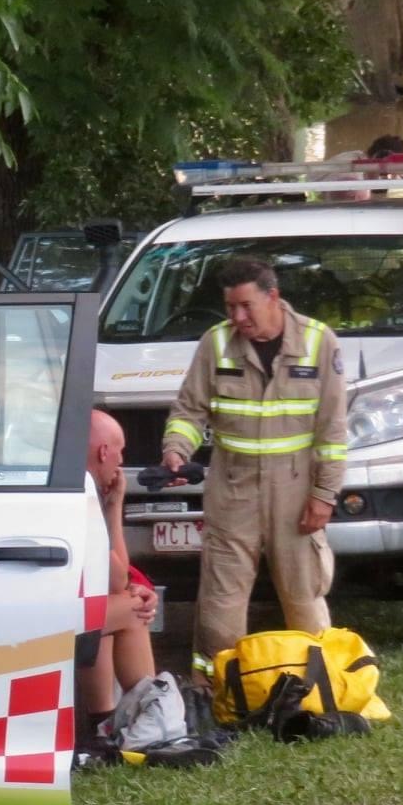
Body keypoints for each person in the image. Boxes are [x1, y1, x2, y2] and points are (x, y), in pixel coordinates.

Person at [162, 257, 347, 682]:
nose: (237, 317)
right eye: (230, 308)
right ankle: (215, 694)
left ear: (273, 297)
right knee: (220, 606)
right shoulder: (216, 343)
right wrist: (177, 449)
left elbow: (332, 430)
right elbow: (189, 411)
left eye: (246, 306)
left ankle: (320, 689)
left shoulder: (320, 342)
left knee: (304, 598)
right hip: (232, 491)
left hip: (296, 492)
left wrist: (324, 495)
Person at [79, 409, 157, 736]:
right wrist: (115, 507)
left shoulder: (65, 483)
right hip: (42, 620)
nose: (121, 461)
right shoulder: (79, 493)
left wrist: (111, 506)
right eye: (120, 451)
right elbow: (117, 579)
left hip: (43, 607)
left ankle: (103, 722)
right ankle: (152, 717)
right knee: (133, 611)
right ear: (103, 452)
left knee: (115, 605)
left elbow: (113, 579)